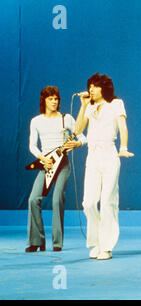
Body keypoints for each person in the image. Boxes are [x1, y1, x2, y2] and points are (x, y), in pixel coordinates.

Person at [75, 73, 134, 260]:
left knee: (108, 201)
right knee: (88, 203)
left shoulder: (116, 104)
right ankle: (97, 242)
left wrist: (123, 147)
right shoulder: (89, 106)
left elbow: (122, 127)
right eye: (89, 86)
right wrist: (83, 105)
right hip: (92, 156)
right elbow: (77, 130)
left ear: (104, 88)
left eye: (95, 86)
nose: (91, 89)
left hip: (110, 154)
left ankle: (106, 246)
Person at [26, 86, 86, 252]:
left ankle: (57, 243)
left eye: (56, 99)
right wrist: (42, 158)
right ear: (44, 100)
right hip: (46, 164)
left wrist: (78, 143)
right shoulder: (36, 121)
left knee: (57, 199)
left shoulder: (66, 119)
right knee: (33, 200)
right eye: (50, 98)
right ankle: (37, 241)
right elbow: (32, 145)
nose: (54, 101)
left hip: (63, 163)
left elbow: (82, 136)